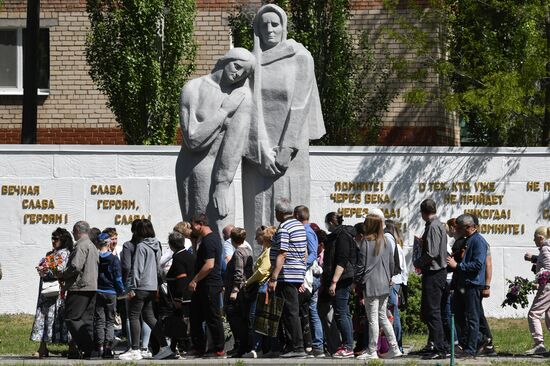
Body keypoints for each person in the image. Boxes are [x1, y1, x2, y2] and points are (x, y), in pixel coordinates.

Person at [242, 3, 325, 239]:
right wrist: (259, 152)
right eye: (264, 25)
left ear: (283, 27)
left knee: (291, 210)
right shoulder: (249, 64)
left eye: (275, 24)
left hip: (291, 154)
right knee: (258, 220)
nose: (270, 30)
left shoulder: (300, 58)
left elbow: (300, 104)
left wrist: (286, 148)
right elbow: (246, 108)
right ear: (257, 29)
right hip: (256, 158)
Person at [176, 48, 255, 238]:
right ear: (226, 60)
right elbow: (192, 140)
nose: (237, 74)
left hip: (217, 172)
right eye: (237, 66)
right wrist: (224, 111)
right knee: (194, 232)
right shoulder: (192, 88)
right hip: (188, 169)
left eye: (243, 73)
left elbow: (234, 145)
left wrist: (222, 184)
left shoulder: (241, 97)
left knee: (222, 230)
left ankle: (218, 267)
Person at [119, 219, 170, 361]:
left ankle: (135, 349)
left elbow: (137, 268)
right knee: (149, 317)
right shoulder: (156, 245)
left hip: (140, 286)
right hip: (152, 287)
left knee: (133, 316)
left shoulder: (141, 246)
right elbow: (159, 268)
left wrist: (132, 287)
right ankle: (165, 347)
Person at [356, 214, 402, 360]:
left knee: (373, 318)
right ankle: (394, 348)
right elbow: (392, 264)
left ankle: (372, 350)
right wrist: (389, 278)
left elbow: (360, 266)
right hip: (385, 284)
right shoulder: (387, 241)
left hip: (370, 284)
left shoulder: (366, 242)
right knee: (383, 317)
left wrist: (357, 282)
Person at [268, 198, 307, 358]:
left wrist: (273, 277)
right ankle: (293, 346)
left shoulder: (284, 227)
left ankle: (297, 347)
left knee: (290, 311)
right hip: (296, 272)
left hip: (286, 274)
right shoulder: (299, 225)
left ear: (279, 213)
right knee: (290, 310)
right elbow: (303, 252)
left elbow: (282, 253)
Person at [446, 214, 488, 359]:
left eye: (460, 227)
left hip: (473, 285)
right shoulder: (467, 240)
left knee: (472, 318)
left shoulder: (478, 242)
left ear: (469, 227)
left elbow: (477, 264)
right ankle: (474, 342)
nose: (457, 230)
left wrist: (458, 265)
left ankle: (471, 349)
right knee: (459, 316)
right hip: (462, 284)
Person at [412, 199, 448, 360]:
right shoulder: (438, 225)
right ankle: (438, 344)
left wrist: (418, 262)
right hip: (437, 273)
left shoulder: (433, 226)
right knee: (432, 311)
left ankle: (440, 348)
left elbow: (432, 252)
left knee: (433, 312)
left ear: (423, 212)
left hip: (434, 273)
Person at [188, 213, 226, 358]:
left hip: (210, 284)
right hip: (204, 285)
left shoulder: (210, 240)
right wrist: (193, 243)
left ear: (200, 224)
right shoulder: (206, 240)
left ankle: (218, 348)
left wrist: (194, 280)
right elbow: (200, 259)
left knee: (213, 317)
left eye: (193, 225)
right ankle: (199, 347)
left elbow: (209, 265)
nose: (192, 228)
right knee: (196, 316)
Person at [31, 228, 73, 358]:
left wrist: (47, 269)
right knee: (44, 318)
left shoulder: (66, 254)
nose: (53, 241)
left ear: (63, 240)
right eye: (52, 238)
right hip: (47, 293)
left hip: (58, 294)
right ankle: (43, 348)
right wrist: (42, 269)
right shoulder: (51, 253)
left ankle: (72, 347)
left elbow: (61, 270)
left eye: (56, 239)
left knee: (61, 318)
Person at [319, 212, 356, 358]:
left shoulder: (342, 236)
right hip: (338, 279)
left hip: (341, 279)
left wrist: (334, 282)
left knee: (341, 313)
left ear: (331, 222)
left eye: (327, 222)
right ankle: (347, 345)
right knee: (343, 312)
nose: (326, 225)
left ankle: (348, 346)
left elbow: (341, 260)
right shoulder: (335, 236)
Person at [61, 221, 99, 359]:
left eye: (73, 231)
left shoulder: (81, 246)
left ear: (77, 230)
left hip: (80, 287)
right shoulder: (92, 246)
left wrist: (63, 274)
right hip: (92, 286)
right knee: (86, 320)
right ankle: (91, 351)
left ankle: (88, 346)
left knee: (72, 318)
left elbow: (75, 266)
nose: (72, 233)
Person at [243, 226, 276, 358]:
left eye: (258, 237)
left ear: (265, 238)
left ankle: (257, 349)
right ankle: (265, 348)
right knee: (262, 319)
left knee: (257, 318)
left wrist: (248, 282)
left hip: (262, 287)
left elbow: (262, 271)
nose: (256, 239)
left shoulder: (268, 252)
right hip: (263, 287)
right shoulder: (267, 251)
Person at [94, 233, 125, 359]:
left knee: (100, 320)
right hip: (111, 292)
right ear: (107, 243)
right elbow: (117, 277)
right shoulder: (113, 259)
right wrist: (121, 290)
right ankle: (108, 348)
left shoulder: (95, 258)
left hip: (98, 291)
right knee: (110, 321)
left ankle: (99, 347)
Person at [165, 231, 196, 355]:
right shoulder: (190, 255)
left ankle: (181, 347)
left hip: (183, 297)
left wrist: (178, 299)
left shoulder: (178, 257)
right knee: (183, 322)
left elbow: (181, 279)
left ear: (171, 245)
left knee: (180, 322)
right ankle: (175, 347)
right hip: (190, 295)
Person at [224, 227, 254, 357]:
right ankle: (243, 346)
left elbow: (238, 272)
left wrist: (234, 290)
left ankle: (241, 347)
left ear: (232, 239)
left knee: (236, 319)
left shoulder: (238, 253)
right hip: (246, 289)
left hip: (238, 291)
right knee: (243, 319)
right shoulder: (248, 250)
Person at [294, 206, 318, 356]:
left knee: (304, 312)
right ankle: (308, 344)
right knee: (304, 312)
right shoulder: (307, 230)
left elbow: (312, 254)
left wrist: (299, 268)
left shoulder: (307, 231)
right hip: (303, 277)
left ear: (297, 216)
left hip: (305, 279)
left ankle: (310, 344)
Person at [525, 227, 550, 355]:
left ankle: (539, 344)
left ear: (541, 238)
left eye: (535, 237)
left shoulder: (545, 249)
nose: (534, 240)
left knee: (533, 314)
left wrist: (540, 282)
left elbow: (548, 269)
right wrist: (534, 259)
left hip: (547, 288)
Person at [386, 220, 408, 353]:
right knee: (393, 315)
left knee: (392, 315)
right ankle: (397, 345)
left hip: (392, 282)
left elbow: (396, 267)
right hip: (397, 282)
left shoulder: (393, 246)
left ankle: (396, 346)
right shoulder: (398, 246)